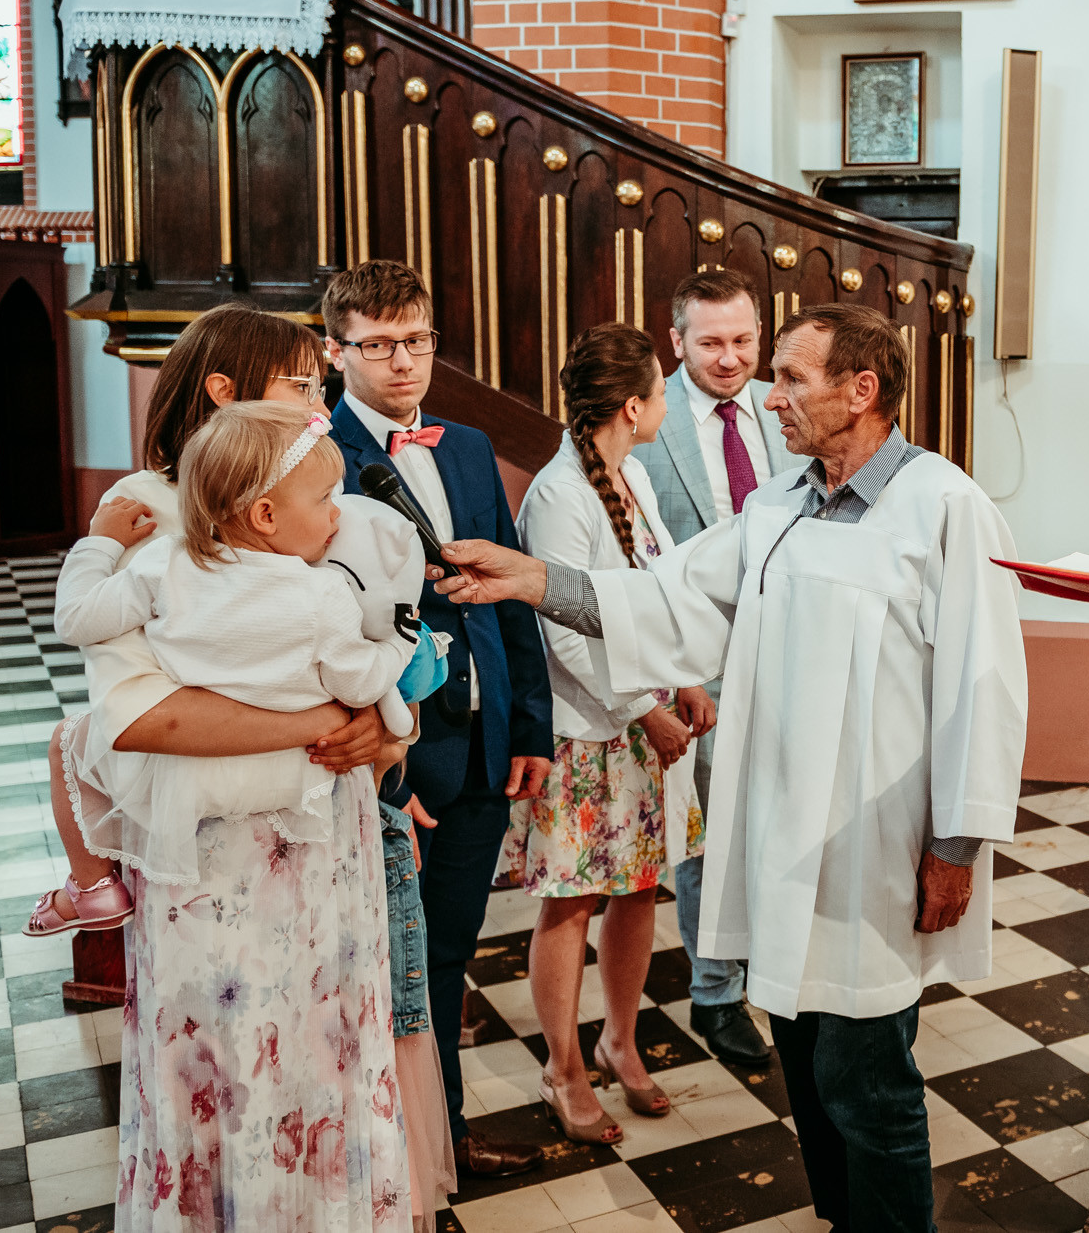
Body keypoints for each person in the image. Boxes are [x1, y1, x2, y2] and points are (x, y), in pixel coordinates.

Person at [429, 304, 1029, 1233]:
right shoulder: (777, 507)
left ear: (861, 390)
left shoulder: (944, 507)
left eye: (791, 377)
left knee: (867, 1076)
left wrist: (957, 845)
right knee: (805, 1053)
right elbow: (663, 601)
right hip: (781, 835)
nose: (768, 396)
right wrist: (533, 578)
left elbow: (984, 688)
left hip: (873, 844)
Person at [43, 306, 419, 1229]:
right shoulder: (144, 511)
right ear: (225, 389)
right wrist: (336, 717)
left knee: (328, 1056)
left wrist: (387, 735)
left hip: (329, 834)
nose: (320, 402)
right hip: (218, 858)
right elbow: (141, 716)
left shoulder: (308, 490)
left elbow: (364, 636)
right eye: (300, 384)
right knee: (234, 1068)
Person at [323, 260, 554, 1180]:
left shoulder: (466, 444)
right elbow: (327, 629)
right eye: (378, 345)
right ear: (336, 351)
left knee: (449, 954)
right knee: (386, 965)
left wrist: (529, 726)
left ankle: (442, 1139)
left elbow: (510, 590)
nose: (402, 361)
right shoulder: (318, 456)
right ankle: (384, 1160)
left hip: (484, 741)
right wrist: (386, 768)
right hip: (398, 753)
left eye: (416, 340)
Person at [36, 401, 414, 894]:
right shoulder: (323, 594)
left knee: (74, 744)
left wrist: (100, 544)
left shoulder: (164, 561)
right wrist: (401, 643)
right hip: (300, 785)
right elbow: (360, 684)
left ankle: (89, 889)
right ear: (265, 515)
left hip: (185, 787)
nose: (337, 514)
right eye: (325, 498)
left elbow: (76, 619)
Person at [508, 323, 712, 1144]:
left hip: (644, 724)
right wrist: (644, 711)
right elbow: (559, 630)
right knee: (573, 901)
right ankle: (563, 1066)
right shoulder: (560, 494)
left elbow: (656, 594)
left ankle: (618, 1039)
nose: (667, 403)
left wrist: (685, 677)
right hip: (589, 732)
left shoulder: (634, 476)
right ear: (632, 406)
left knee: (637, 889)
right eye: (661, 391)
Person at [633, 270, 794, 1066]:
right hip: (697, 661)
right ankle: (715, 990)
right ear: (676, 341)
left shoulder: (783, 405)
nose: (730, 359)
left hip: (788, 648)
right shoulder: (645, 418)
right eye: (710, 343)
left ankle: (777, 965)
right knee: (711, 834)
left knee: (782, 818)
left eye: (743, 340)